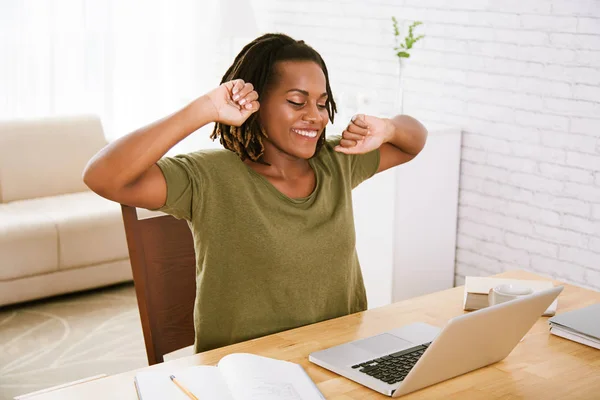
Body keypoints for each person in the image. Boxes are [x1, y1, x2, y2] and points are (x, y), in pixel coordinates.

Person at [83, 33, 427, 354]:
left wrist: (388, 127)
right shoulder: (208, 177)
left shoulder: (338, 161)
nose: (315, 117)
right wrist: (202, 109)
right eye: (297, 101)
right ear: (256, 104)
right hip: (245, 369)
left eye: (322, 104)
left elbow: (414, 143)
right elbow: (103, 177)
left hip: (338, 355)